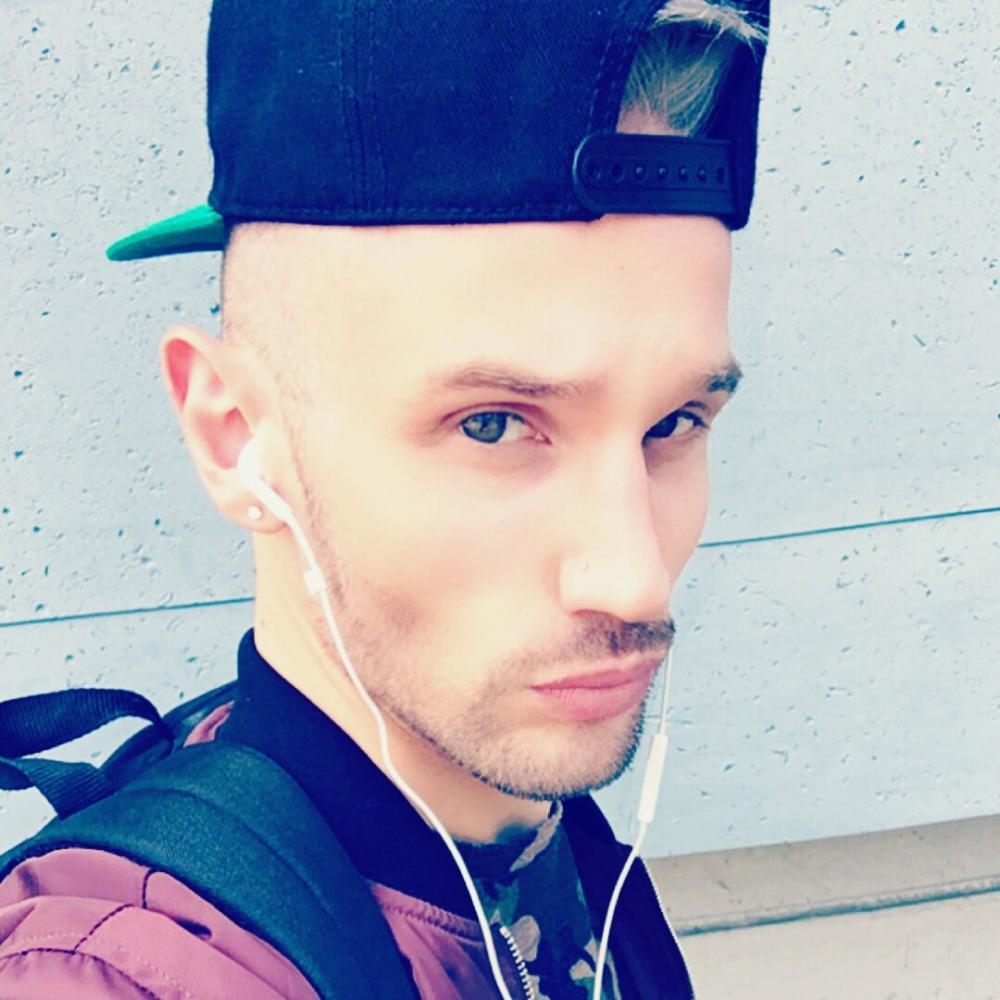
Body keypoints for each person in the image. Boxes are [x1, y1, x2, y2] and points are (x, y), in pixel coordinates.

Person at [0, 0, 769, 997]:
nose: (634, 582)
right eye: (492, 425)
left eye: (674, 423)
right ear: (235, 438)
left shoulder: (530, 836)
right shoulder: (130, 972)